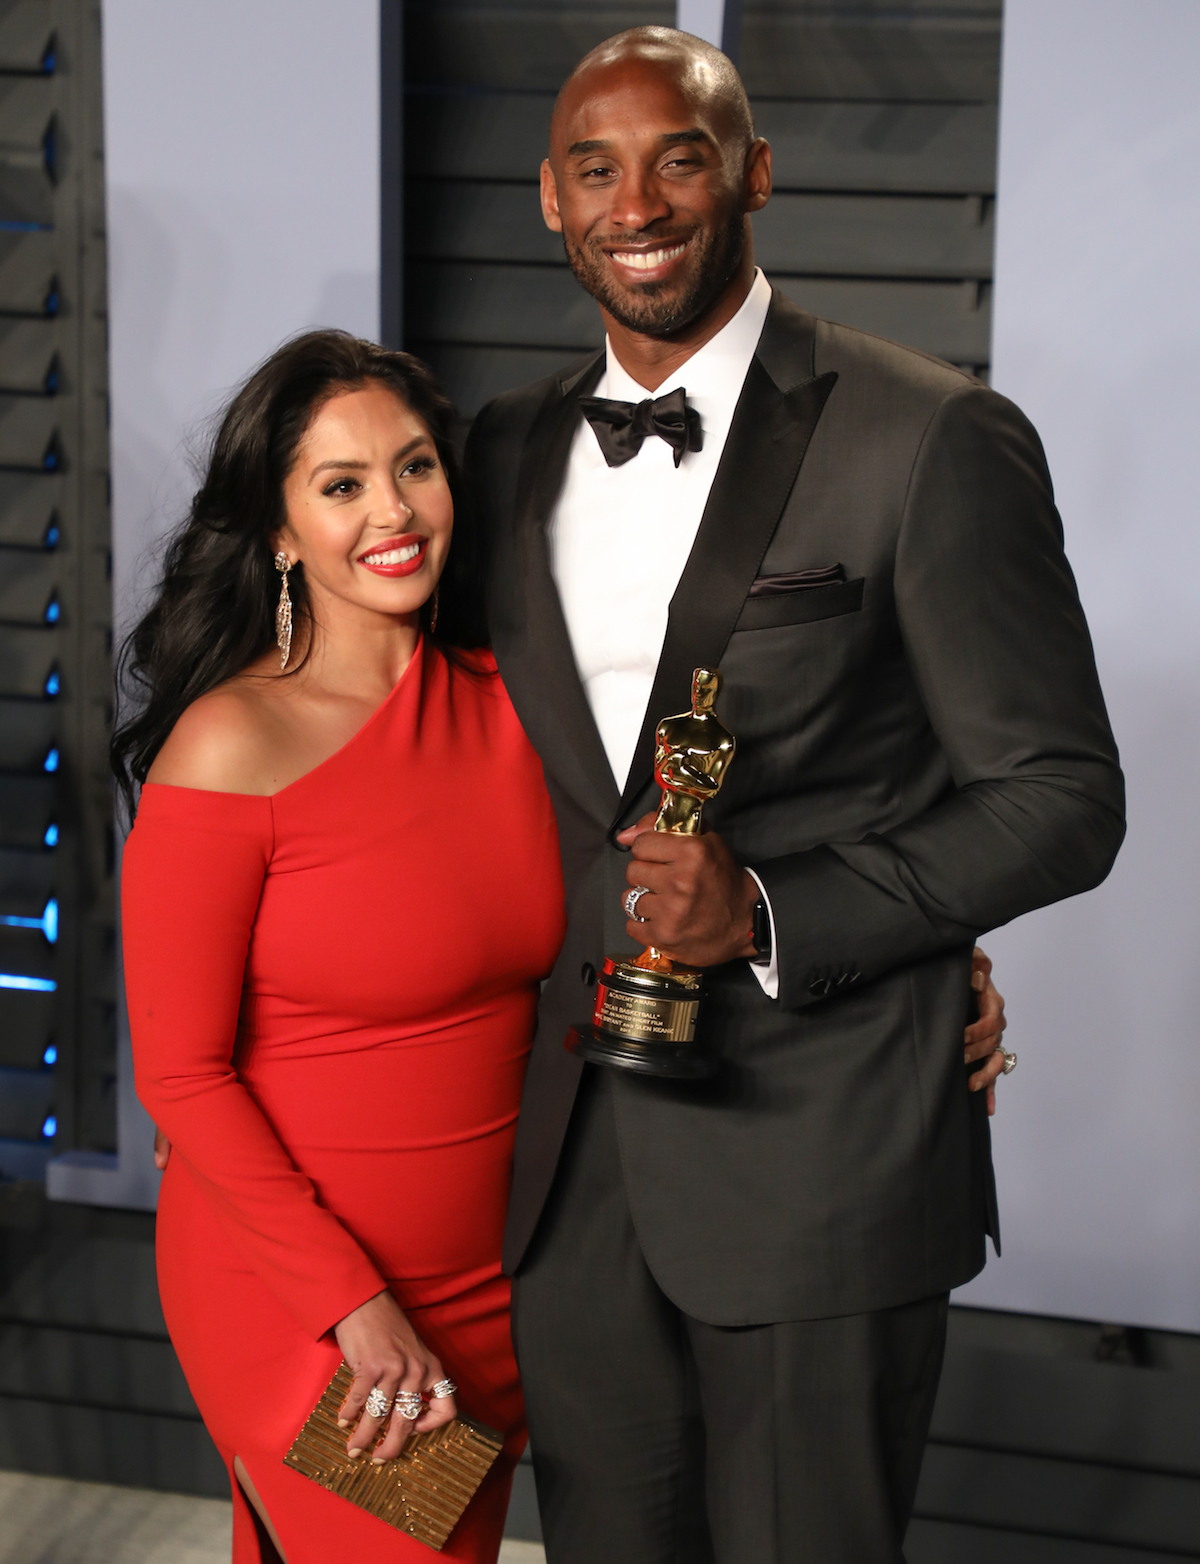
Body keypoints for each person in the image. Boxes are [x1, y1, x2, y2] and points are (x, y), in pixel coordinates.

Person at [466, 27, 1125, 1564]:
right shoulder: (494, 453)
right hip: (561, 1173)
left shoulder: (929, 432)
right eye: (595, 167)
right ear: (548, 204)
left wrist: (777, 912)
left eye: (680, 155)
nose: (639, 200)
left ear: (754, 172)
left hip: (823, 1159)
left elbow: (1061, 795)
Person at [116, 334, 566, 1563]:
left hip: (492, 1286)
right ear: (277, 528)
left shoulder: (517, 707)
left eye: (414, 467)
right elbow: (182, 1074)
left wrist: (940, 960)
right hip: (310, 1301)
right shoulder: (229, 744)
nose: (393, 510)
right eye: (343, 483)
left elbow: (664, 888)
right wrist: (353, 1310)